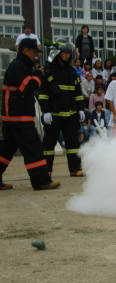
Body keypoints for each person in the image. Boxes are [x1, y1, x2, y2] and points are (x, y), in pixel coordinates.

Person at [0, 38, 59, 190]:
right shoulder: (18, 66)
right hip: (18, 117)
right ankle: (41, 181)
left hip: (14, 116)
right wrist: (39, 75)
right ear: (26, 50)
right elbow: (28, 86)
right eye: (34, 52)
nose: (36, 55)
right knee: (33, 148)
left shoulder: (22, 66)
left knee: (6, 150)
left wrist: (36, 74)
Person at [39, 38, 85, 177]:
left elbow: (77, 92)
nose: (67, 55)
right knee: (49, 145)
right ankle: (46, 170)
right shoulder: (47, 70)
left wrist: (81, 108)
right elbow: (43, 94)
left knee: (73, 144)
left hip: (70, 114)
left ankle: (75, 169)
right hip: (54, 115)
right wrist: (46, 111)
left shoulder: (71, 71)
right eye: (65, 52)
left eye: (69, 53)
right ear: (57, 53)